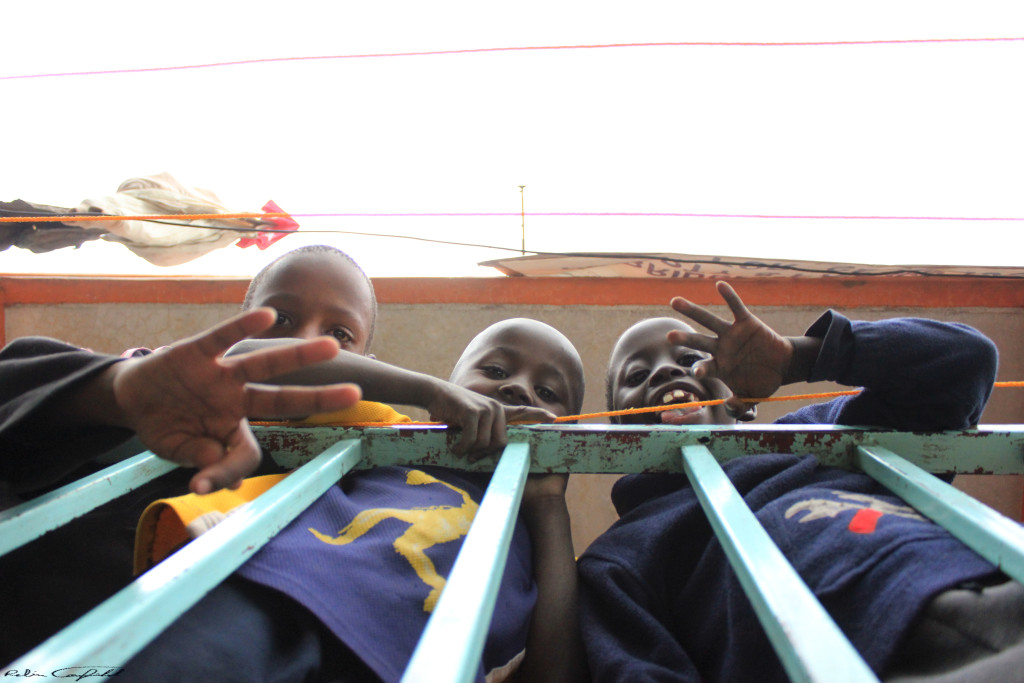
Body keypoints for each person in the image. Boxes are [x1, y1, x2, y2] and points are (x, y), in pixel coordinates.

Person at [118, 246, 587, 683]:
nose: (520, 390)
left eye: (548, 394)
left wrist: (548, 503)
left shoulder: (537, 541)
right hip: (279, 602)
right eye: (497, 371)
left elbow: (555, 672)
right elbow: (248, 362)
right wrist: (428, 391)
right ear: (451, 389)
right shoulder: (384, 431)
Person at [577, 280, 1023, 682]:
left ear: (743, 404)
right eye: (636, 376)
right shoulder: (617, 558)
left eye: (692, 358)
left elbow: (966, 362)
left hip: (991, 584)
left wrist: (800, 358)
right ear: (616, 426)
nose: (664, 372)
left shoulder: (816, 433)